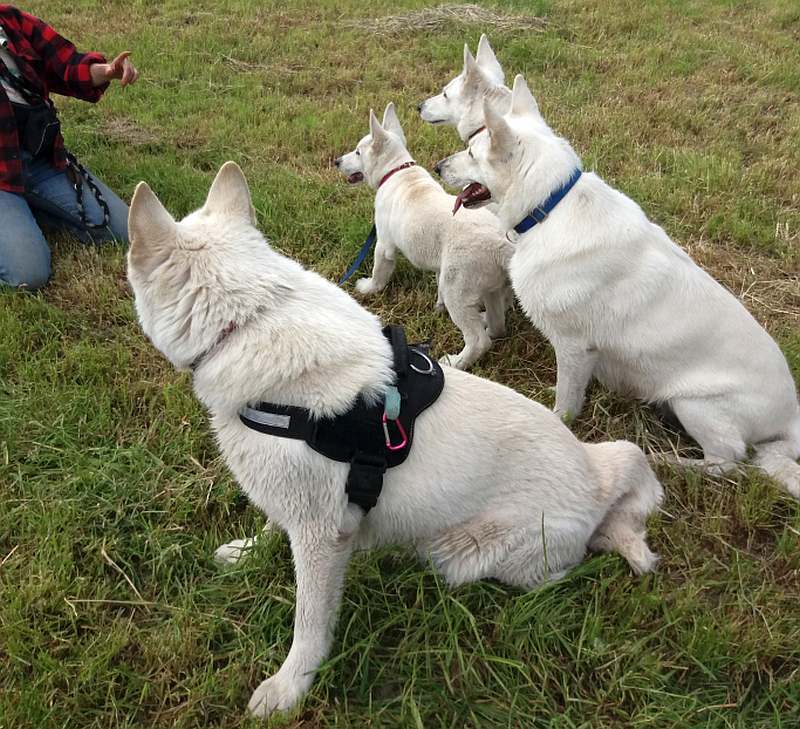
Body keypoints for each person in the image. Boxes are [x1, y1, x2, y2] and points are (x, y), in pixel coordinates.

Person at [0, 5, 138, 290]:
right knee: (28, 274)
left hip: (40, 159)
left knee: (129, 231)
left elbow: (64, 63)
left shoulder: (9, 19)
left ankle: (29, 211)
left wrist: (107, 71)